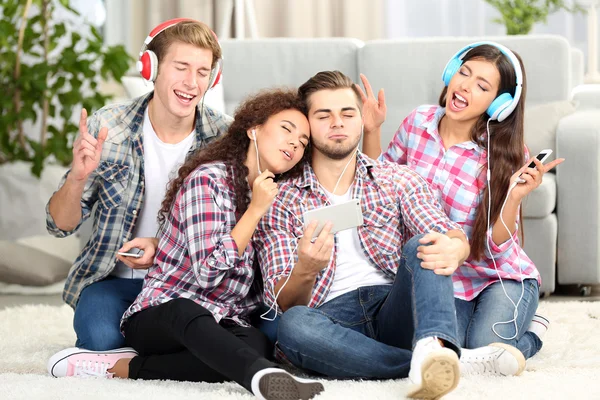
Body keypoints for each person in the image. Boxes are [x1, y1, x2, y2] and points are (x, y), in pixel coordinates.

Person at [254, 71, 525, 400]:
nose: (337, 123)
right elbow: (284, 301)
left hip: (393, 307)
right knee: (293, 325)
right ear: (308, 126)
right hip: (329, 319)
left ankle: (428, 346)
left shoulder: (397, 179)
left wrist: (456, 247)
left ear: (360, 120)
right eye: (323, 115)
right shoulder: (280, 199)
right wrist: (306, 268)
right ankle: (442, 358)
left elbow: (443, 231)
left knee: (425, 244)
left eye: (348, 113)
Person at [48, 88, 325, 400]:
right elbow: (208, 272)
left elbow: (277, 278)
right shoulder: (208, 180)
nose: (294, 143)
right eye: (287, 130)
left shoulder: (280, 199)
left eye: (303, 142)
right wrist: (255, 210)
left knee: (254, 345)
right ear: (254, 128)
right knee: (186, 311)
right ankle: (260, 376)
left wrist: (307, 264)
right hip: (164, 315)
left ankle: (124, 368)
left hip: (223, 319)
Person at [362, 42, 563, 366]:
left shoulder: (506, 154)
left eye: (482, 86)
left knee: (484, 346)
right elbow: (377, 187)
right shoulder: (418, 123)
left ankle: (532, 335)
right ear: (451, 72)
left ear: (499, 103)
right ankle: (506, 337)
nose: (465, 86)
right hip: (443, 275)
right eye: (464, 73)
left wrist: (513, 198)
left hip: (499, 275)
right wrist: (371, 130)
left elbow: (497, 246)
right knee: (450, 350)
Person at [45, 18, 232, 352]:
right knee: (101, 338)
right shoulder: (109, 126)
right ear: (152, 67)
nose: (192, 83)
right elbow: (60, 224)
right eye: (181, 67)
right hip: (113, 281)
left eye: (203, 72)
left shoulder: (223, 137)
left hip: (186, 283)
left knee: (210, 335)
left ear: (213, 78)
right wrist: (77, 178)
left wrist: (162, 246)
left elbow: (229, 232)